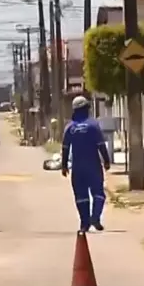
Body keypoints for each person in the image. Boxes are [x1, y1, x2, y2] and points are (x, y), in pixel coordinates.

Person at [61, 95, 111, 233]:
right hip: (93, 166)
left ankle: (84, 223)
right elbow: (101, 145)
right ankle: (95, 217)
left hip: (78, 168)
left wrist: (64, 165)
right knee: (98, 194)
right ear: (87, 109)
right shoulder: (93, 126)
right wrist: (106, 160)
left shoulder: (69, 128)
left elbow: (65, 148)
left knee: (81, 197)